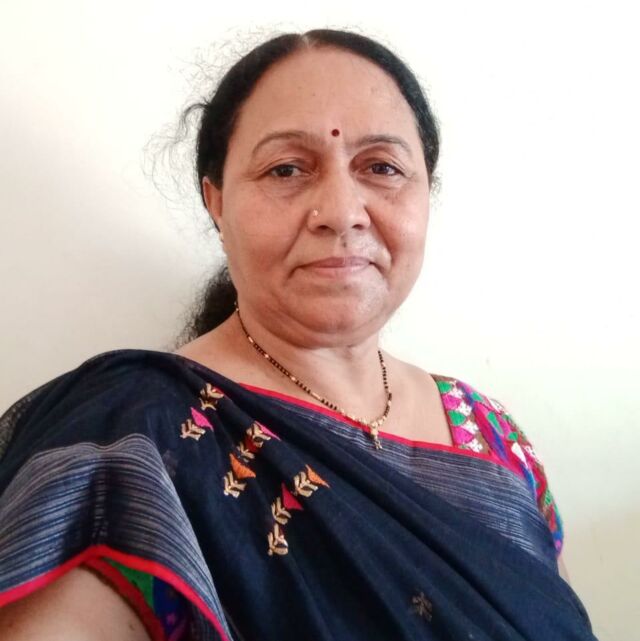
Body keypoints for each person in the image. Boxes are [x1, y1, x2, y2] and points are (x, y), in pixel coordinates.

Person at [0, 28, 596, 641]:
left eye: (382, 168)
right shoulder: (135, 439)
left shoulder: (494, 437)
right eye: (286, 168)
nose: (341, 212)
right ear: (216, 202)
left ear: (426, 194)